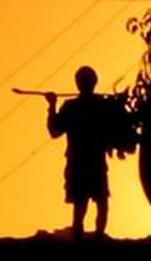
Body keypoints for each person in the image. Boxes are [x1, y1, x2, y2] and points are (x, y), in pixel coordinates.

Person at [46, 66, 126, 241]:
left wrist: (52, 107)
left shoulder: (79, 106)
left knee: (91, 203)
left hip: (86, 162)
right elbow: (55, 131)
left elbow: (54, 130)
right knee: (88, 204)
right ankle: (90, 237)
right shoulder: (94, 105)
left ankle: (92, 237)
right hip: (83, 162)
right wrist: (52, 107)